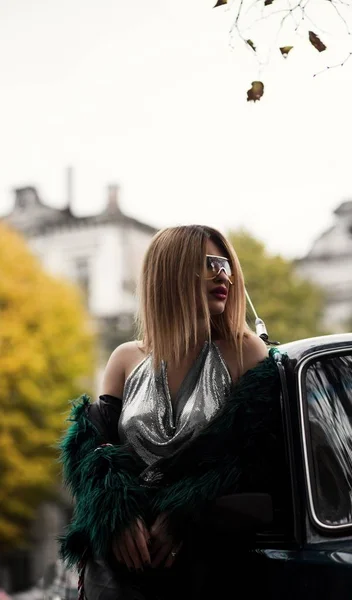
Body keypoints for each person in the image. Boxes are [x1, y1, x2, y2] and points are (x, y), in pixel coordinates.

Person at [58, 225, 285, 600]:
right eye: (208, 264)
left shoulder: (247, 352)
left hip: (205, 566)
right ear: (171, 272)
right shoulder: (124, 358)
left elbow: (257, 463)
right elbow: (93, 458)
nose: (222, 274)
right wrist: (115, 513)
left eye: (226, 264)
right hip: (117, 570)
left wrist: (188, 515)